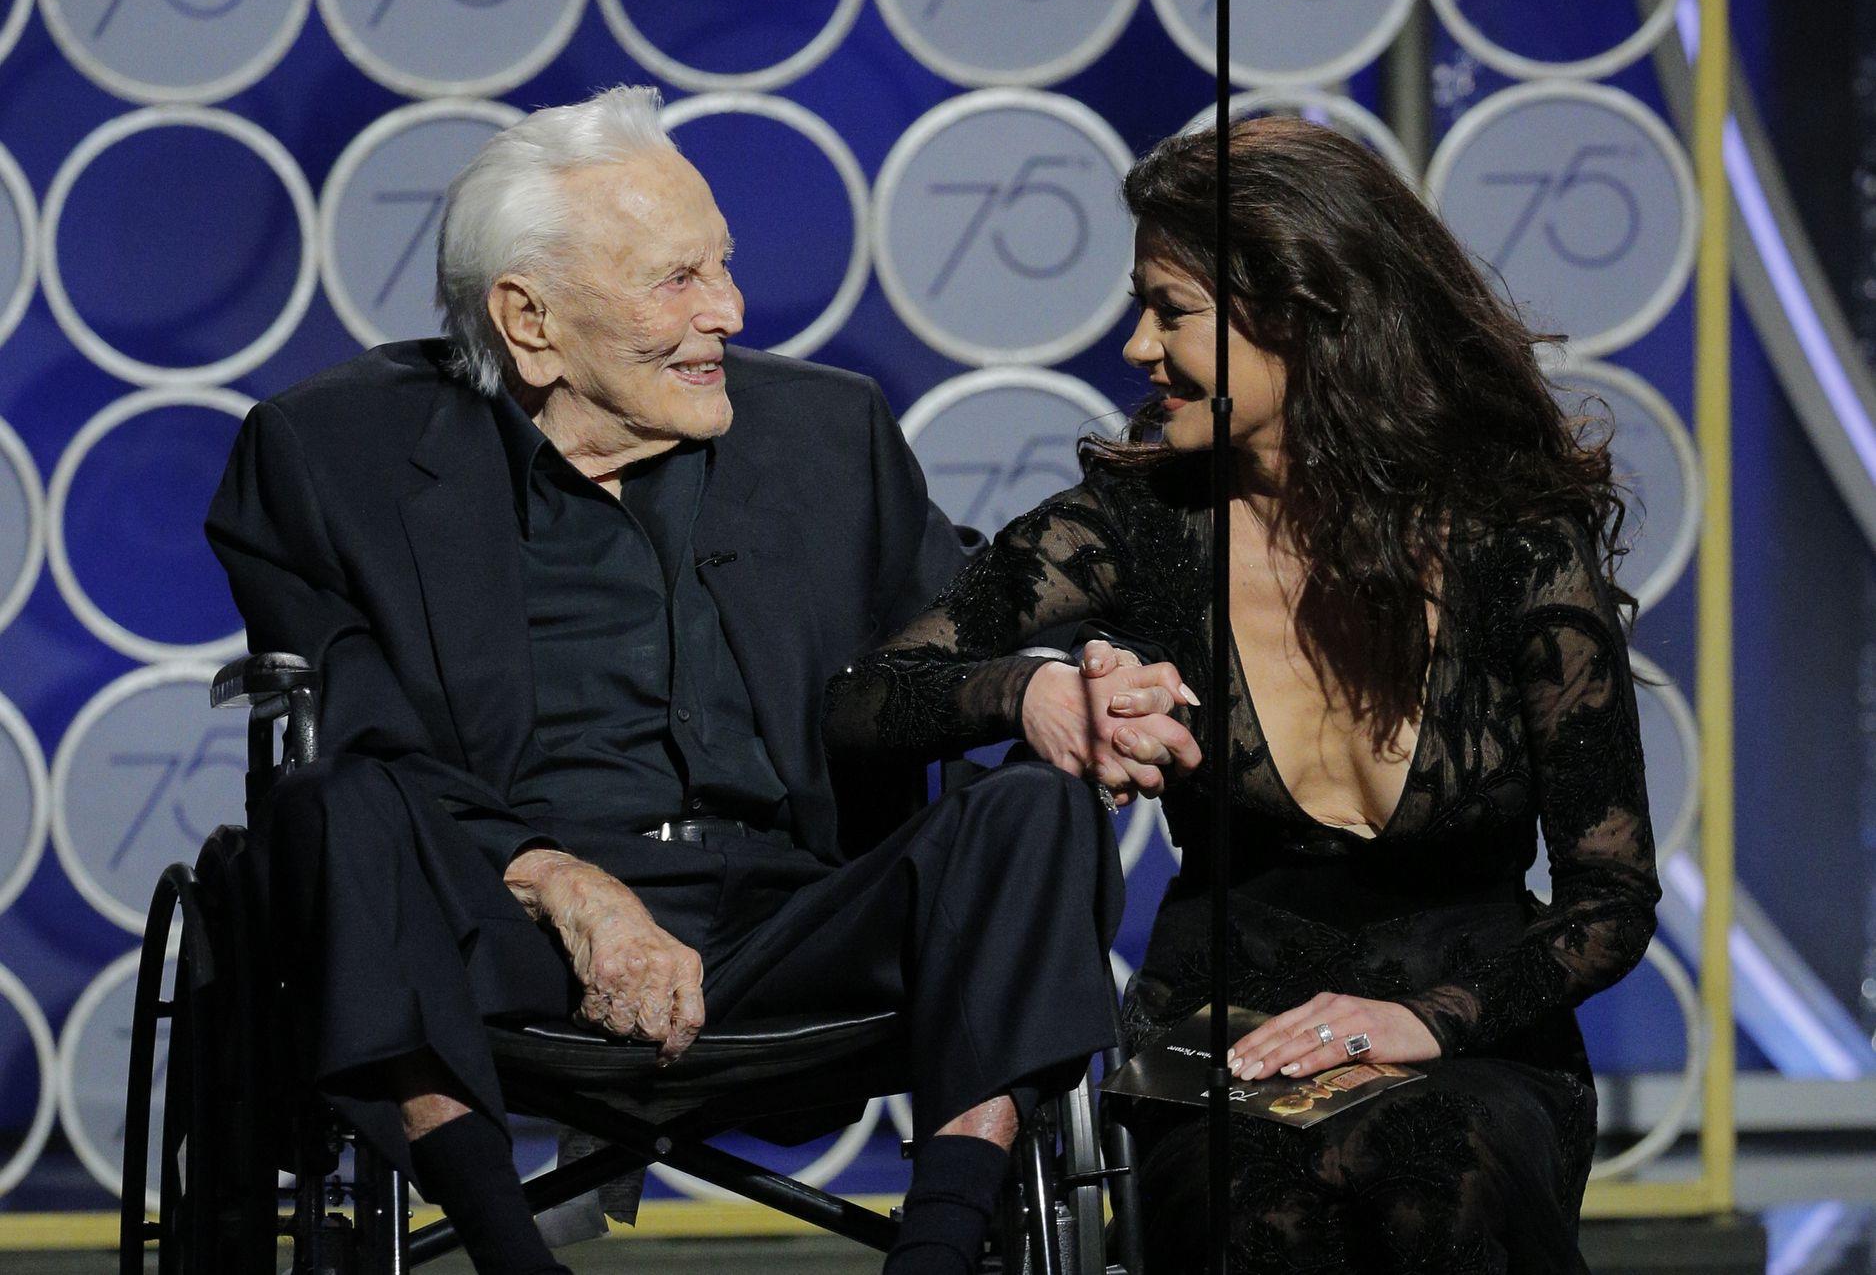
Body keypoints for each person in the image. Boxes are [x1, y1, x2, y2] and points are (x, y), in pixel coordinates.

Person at [207, 85, 1183, 1275]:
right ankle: (509, 1252)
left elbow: (950, 635)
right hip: (500, 925)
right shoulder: (327, 457)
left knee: (1034, 809)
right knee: (327, 808)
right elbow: (361, 740)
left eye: (719, 266)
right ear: (530, 320)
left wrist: (1031, 688)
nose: (726, 309)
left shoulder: (829, 433)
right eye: (677, 280)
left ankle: (936, 1249)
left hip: (793, 917)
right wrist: (564, 885)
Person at [823, 116, 1661, 1273]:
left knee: (1441, 1171)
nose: (1135, 346)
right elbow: (866, 696)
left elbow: (1608, 900)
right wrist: (1034, 693)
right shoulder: (1137, 525)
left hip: (1472, 1030)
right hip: (1223, 1031)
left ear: (1305, 314)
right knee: (1259, 1210)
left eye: (1170, 308)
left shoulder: (1513, 539)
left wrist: (1424, 1023)